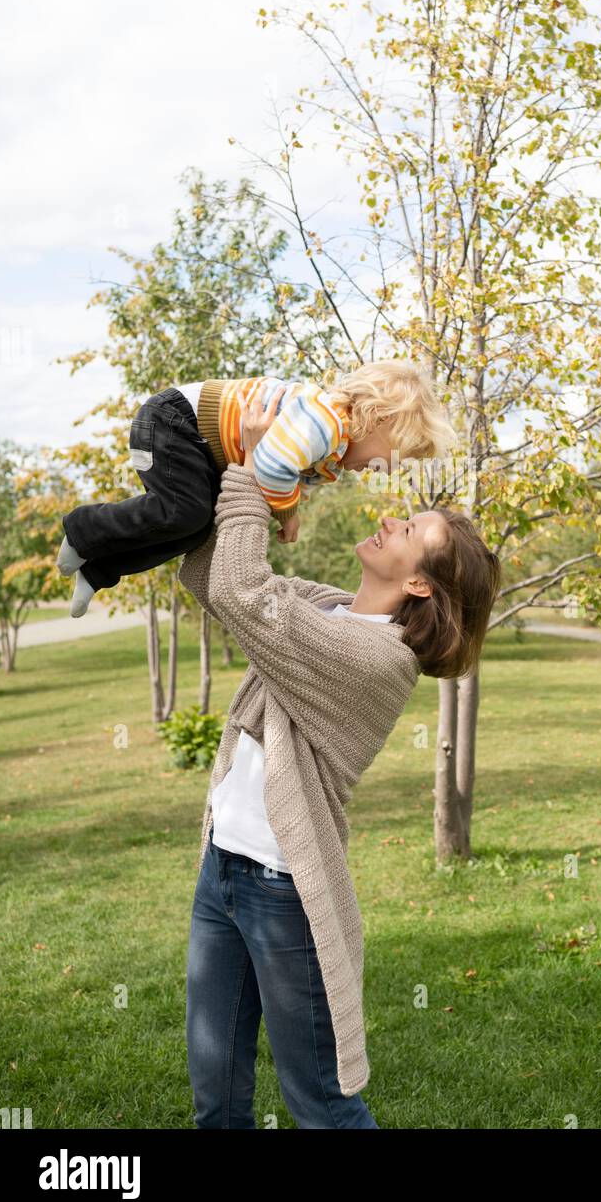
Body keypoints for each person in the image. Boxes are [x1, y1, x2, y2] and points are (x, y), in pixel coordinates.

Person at [179, 386, 501, 1128]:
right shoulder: (328, 607)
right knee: (216, 1097)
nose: (388, 518)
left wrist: (261, 470)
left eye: (409, 528)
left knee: (321, 1101)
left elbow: (238, 587)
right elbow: (210, 578)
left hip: (281, 891)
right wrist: (224, 453)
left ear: (418, 582)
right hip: (223, 868)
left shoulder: (377, 659)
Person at [56, 359, 455, 616]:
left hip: (202, 448)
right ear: (376, 419)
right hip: (175, 423)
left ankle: (100, 569)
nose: (380, 470)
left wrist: (281, 506)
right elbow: (269, 467)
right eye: (388, 458)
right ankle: (83, 528)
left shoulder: (331, 455)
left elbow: (267, 480)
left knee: (196, 530)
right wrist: (289, 511)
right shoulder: (326, 421)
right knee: (184, 513)